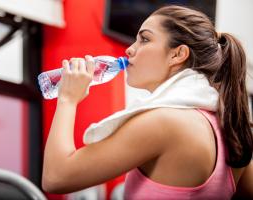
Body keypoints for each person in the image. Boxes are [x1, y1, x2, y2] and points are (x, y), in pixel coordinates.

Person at [41, 5, 253, 199]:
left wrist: (67, 99)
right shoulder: (231, 129)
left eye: (144, 39)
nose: (130, 49)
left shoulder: (164, 121)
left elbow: (56, 177)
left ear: (177, 54)